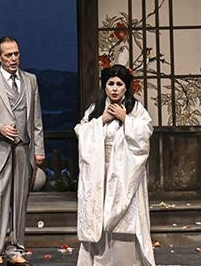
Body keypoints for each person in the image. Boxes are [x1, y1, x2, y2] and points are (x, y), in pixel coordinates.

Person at [0, 36, 45, 266]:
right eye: (8, 55)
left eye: (16, 53)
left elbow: (36, 118)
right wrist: (0, 128)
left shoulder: (30, 80)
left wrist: (39, 148)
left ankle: (16, 249)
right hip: (0, 148)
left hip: (23, 149)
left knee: (20, 201)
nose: (13, 58)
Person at [75, 64, 155, 266]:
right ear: (105, 86)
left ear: (126, 87)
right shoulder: (95, 109)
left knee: (123, 218)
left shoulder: (135, 109)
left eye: (119, 84)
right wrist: (102, 120)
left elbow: (145, 132)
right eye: (110, 84)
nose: (115, 88)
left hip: (125, 172)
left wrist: (124, 118)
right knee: (98, 217)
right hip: (99, 171)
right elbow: (81, 131)